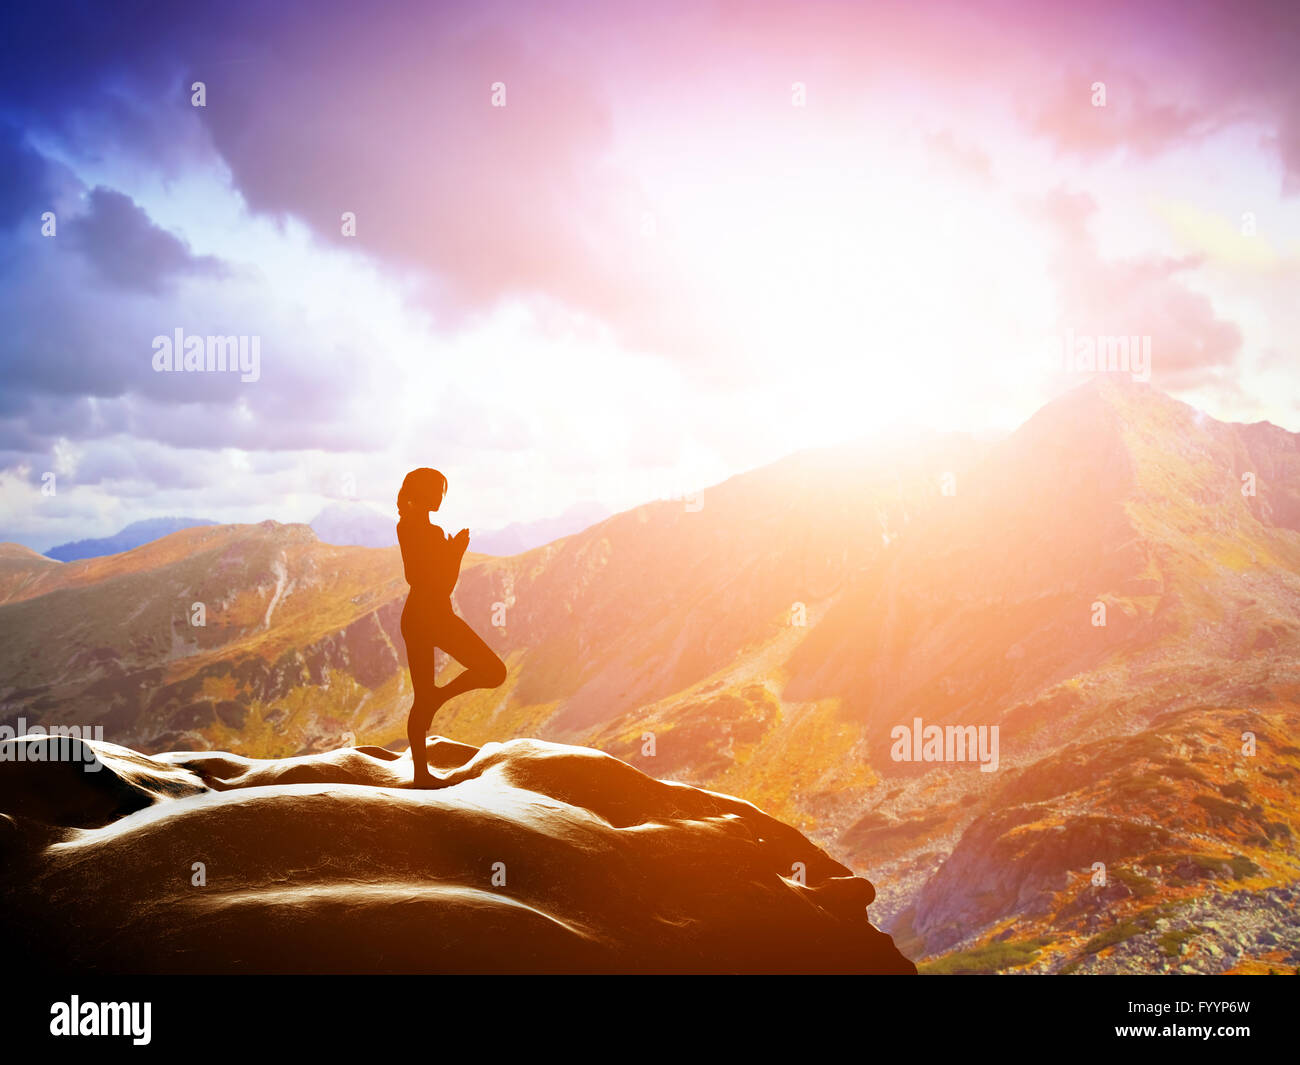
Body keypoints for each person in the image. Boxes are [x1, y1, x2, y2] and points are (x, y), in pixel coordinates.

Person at [396, 467, 506, 786]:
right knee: (493, 671)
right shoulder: (425, 532)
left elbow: (428, 582)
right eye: (437, 491)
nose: (441, 497)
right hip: (431, 616)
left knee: (424, 697)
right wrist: (455, 553)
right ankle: (437, 701)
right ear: (422, 492)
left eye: (442, 492)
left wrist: (450, 553)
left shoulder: (406, 526)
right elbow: (437, 583)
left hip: (418, 616)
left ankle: (421, 772)